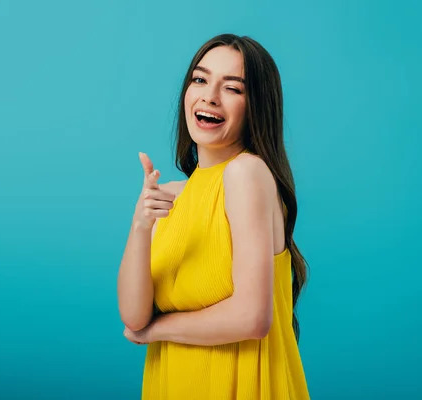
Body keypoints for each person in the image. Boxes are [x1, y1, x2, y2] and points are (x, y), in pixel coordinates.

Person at [117, 33, 310, 399]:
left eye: (233, 88)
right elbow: (134, 317)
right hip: (174, 384)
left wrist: (158, 331)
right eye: (200, 79)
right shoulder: (171, 194)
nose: (209, 96)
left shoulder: (246, 174)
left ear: (257, 106)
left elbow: (252, 318)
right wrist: (141, 225)